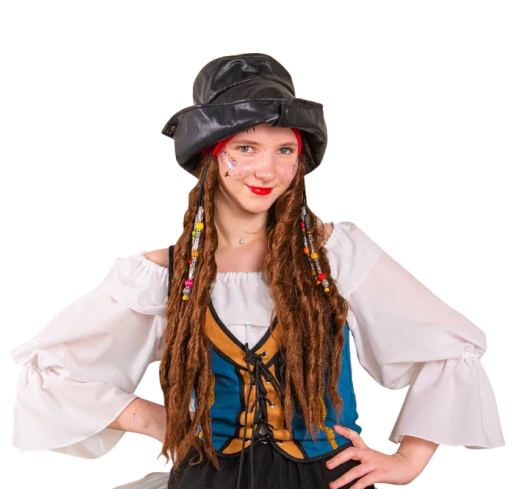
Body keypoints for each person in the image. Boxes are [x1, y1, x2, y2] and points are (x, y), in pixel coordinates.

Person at [8, 53, 506, 489]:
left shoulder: (335, 254)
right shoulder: (162, 273)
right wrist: (159, 421)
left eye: (283, 150)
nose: (266, 171)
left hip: (327, 478)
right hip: (206, 479)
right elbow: (52, 371)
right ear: (212, 154)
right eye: (246, 148)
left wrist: (409, 460)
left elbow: (448, 346)